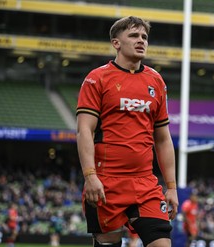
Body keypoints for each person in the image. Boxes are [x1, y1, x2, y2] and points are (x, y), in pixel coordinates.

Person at [76, 16, 179, 247]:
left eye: (144, 36)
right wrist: (90, 176)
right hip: (106, 183)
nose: (141, 40)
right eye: (133, 35)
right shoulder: (97, 79)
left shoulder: (156, 81)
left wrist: (171, 187)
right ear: (116, 43)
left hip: (145, 184)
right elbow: (85, 131)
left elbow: (163, 139)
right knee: (108, 243)